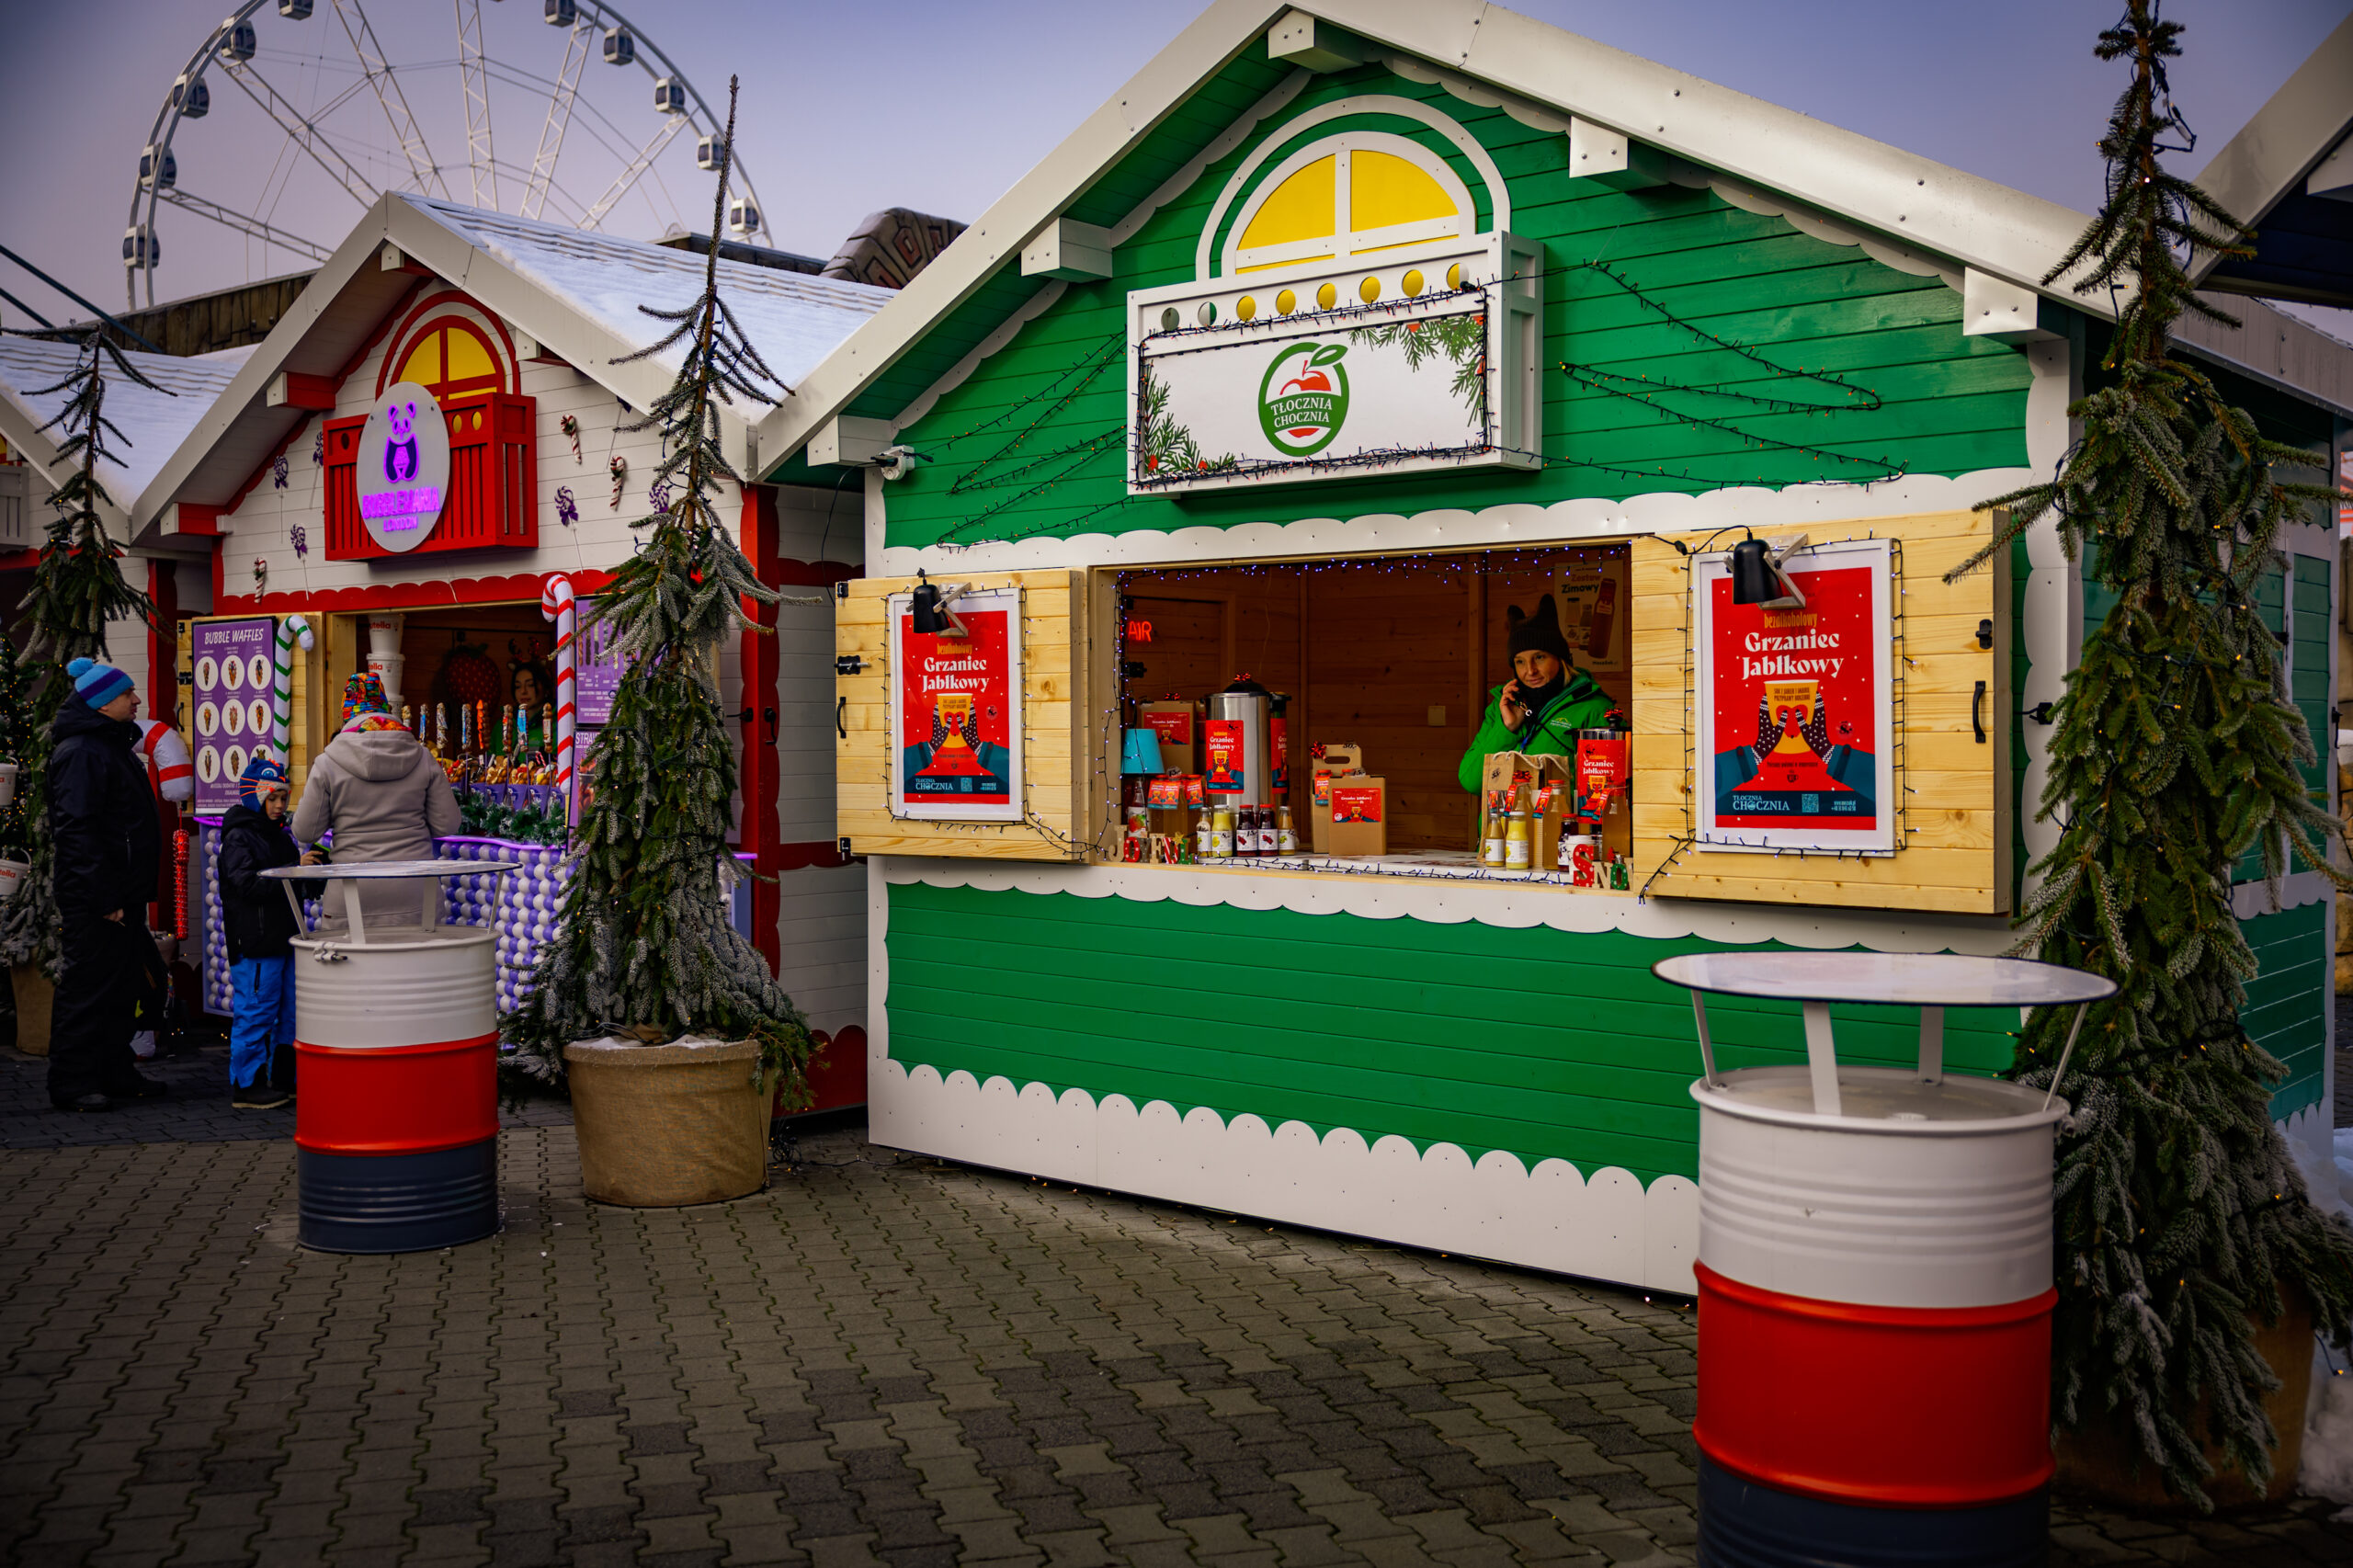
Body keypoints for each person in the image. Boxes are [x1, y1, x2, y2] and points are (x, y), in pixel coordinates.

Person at [45, 657, 167, 1112]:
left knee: (122, 987)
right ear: (101, 704)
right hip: (98, 899)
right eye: (126, 694)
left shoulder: (108, 745)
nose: (136, 700)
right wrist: (104, 896)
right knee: (89, 989)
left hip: (121, 894)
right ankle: (72, 1083)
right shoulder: (81, 752)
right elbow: (78, 831)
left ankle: (115, 1071)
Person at [290, 674, 460, 926]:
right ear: (386, 708)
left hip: (350, 897)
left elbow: (305, 831)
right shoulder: (423, 757)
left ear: (346, 713)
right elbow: (448, 824)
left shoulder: (327, 763)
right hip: (416, 895)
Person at [216, 756, 323, 1109]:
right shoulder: (238, 837)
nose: (279, 806)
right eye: (272, 798)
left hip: (285, 937)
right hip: (256, 942)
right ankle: (247, 1085)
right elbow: (246, 885)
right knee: (256, 1012)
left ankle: (283, 1078)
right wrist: (294, 870)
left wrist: (314, 876)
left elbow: (289, 886)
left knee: (292, 1013)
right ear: (255, 798)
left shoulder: (280, 835)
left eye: (283, 798)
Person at [1457, 594, 1616, 792]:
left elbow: (1607, 791)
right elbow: (1471, 782)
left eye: (1539, 657)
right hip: (1506, 815)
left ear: (1560, 658)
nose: (1530, 670)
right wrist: (1507, 728)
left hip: (1558, 814)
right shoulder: (1501, 708)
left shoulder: (1594, 710)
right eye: (1520, 662)